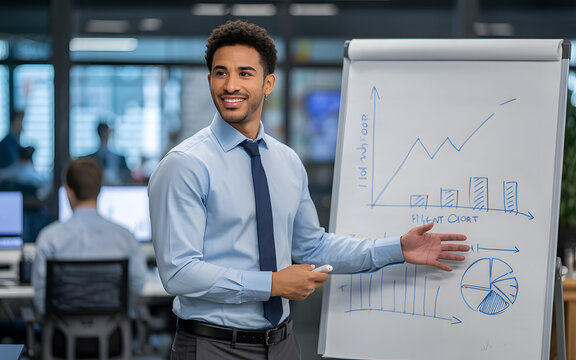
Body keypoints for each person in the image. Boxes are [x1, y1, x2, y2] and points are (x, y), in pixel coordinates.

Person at [147, 20, 470, 360]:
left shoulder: (286, 161)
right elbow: (179, 273)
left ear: (268, 82)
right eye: (220, 73)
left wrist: (397, 248)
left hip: (283, 344)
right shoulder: (184, 165)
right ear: (210, 79)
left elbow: (312, 246)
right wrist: (272, 284)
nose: (230, 85)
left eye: (244, 73)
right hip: (213, 346)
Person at [32, 157, 147, 314]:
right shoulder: (125, 238)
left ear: (68, 192)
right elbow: (137, 285)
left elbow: (41, 298)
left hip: (63, 335)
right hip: (113, 335)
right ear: (99, 190)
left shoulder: (49, 238)